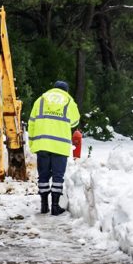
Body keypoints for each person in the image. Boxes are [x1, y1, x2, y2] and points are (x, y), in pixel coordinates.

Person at [28, 80, 80, 216]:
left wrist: (32, 144)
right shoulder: (69, 101)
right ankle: (55, 207)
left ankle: (44, 205)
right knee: (58, 176)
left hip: (42, 144)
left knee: (43, 176)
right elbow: (75, 121)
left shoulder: (40, 100)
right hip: (60, 145)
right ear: (66, 91)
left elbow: (31, 123)